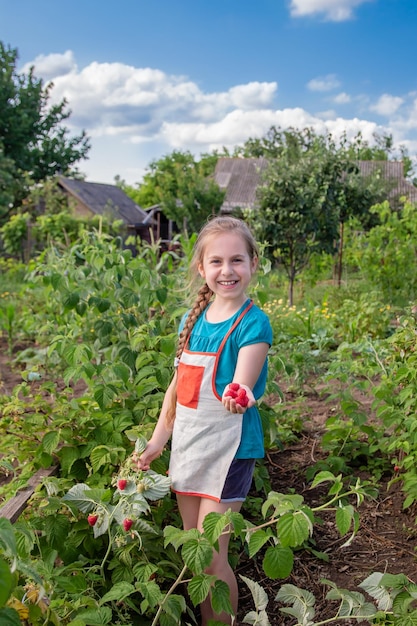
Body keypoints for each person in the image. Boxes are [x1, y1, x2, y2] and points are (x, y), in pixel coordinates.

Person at [136, 216, 272, 625]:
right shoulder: (190, 321)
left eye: (236, 260)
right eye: (216, 261)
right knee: (193, 551)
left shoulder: (253, 323)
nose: (226, 270)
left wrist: (241, 394)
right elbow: (176, 391)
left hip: (230, 450)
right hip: (191, 446)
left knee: (212, 557)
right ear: (201, 268)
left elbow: (243, 381)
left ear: (253, 263)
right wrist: (158, 441)